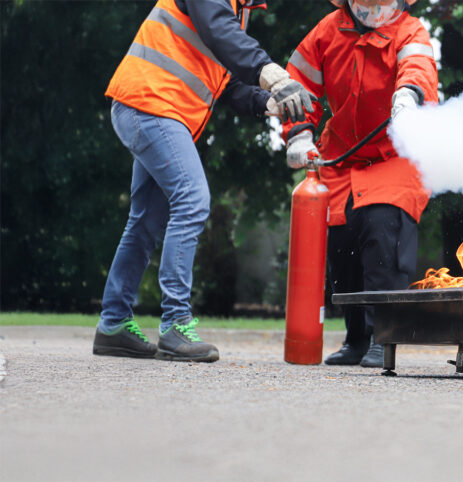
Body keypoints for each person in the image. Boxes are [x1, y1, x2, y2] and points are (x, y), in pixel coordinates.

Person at [93, 0, 316, 362]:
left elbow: (224, 83)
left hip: (156, 108)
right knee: (192, 200)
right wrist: (274, 74)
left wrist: (268, 102)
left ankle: (113, 325)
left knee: (145, 221)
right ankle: (176, 325)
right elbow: (220, 32)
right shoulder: (219, 9)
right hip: (151, 105)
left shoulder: (238, 12)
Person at [281, 0, 438, 367]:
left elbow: (418, 70)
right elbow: (298, 83)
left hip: (393, 156)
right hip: (343, 156)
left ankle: (384, 338)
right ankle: (356, 338)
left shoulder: (410, 30)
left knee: (382, 231)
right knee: (342, 244)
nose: (374, 8)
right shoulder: (328, 30)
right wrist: (299, 134)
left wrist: (408, 96)